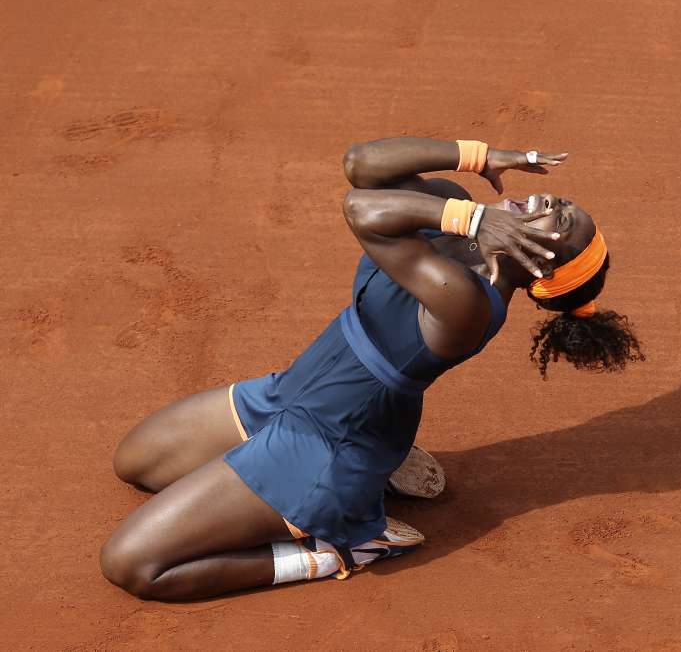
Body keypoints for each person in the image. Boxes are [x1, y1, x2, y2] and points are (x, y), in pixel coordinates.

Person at [100, 135, 644, 600]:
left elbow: (362, 212)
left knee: (131, 564)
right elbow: (361, 165)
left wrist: (477, 218)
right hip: (292, 394)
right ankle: (384, 462)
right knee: (136, 462)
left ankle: (338, 549)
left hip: (322, 451)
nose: (550, 197)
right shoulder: (455, 219)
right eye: (562, 200)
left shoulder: (467, 305)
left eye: (561, 216)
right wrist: (480, 158)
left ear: (541, 258)